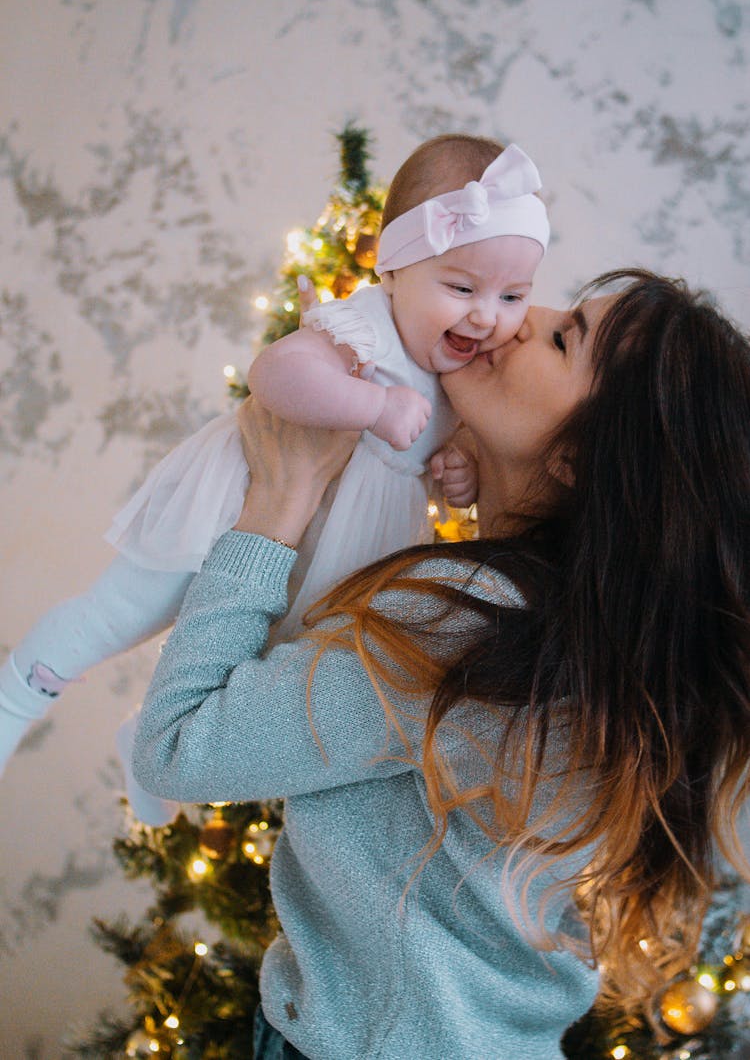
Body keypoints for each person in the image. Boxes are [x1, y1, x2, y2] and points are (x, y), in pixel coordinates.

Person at [132, 269, 750, 1059]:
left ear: (579, 461)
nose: (525, 317)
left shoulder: (466, 622)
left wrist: (277, 502)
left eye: (566, 336)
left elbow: (177, 744)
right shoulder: (589, 648)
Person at [0, 135, 549, 823]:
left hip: (336, 551)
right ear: (396, 272)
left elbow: (438, 472)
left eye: (513, 294)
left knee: (260, 675)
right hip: (232, 506)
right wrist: (375, 404)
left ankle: (148, 738)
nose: (486, 314)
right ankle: (19, 691)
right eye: (462, 287)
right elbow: (278, 374)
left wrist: (455, 471)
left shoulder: (462, 379)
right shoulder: (368, 328)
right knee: (128, 607)